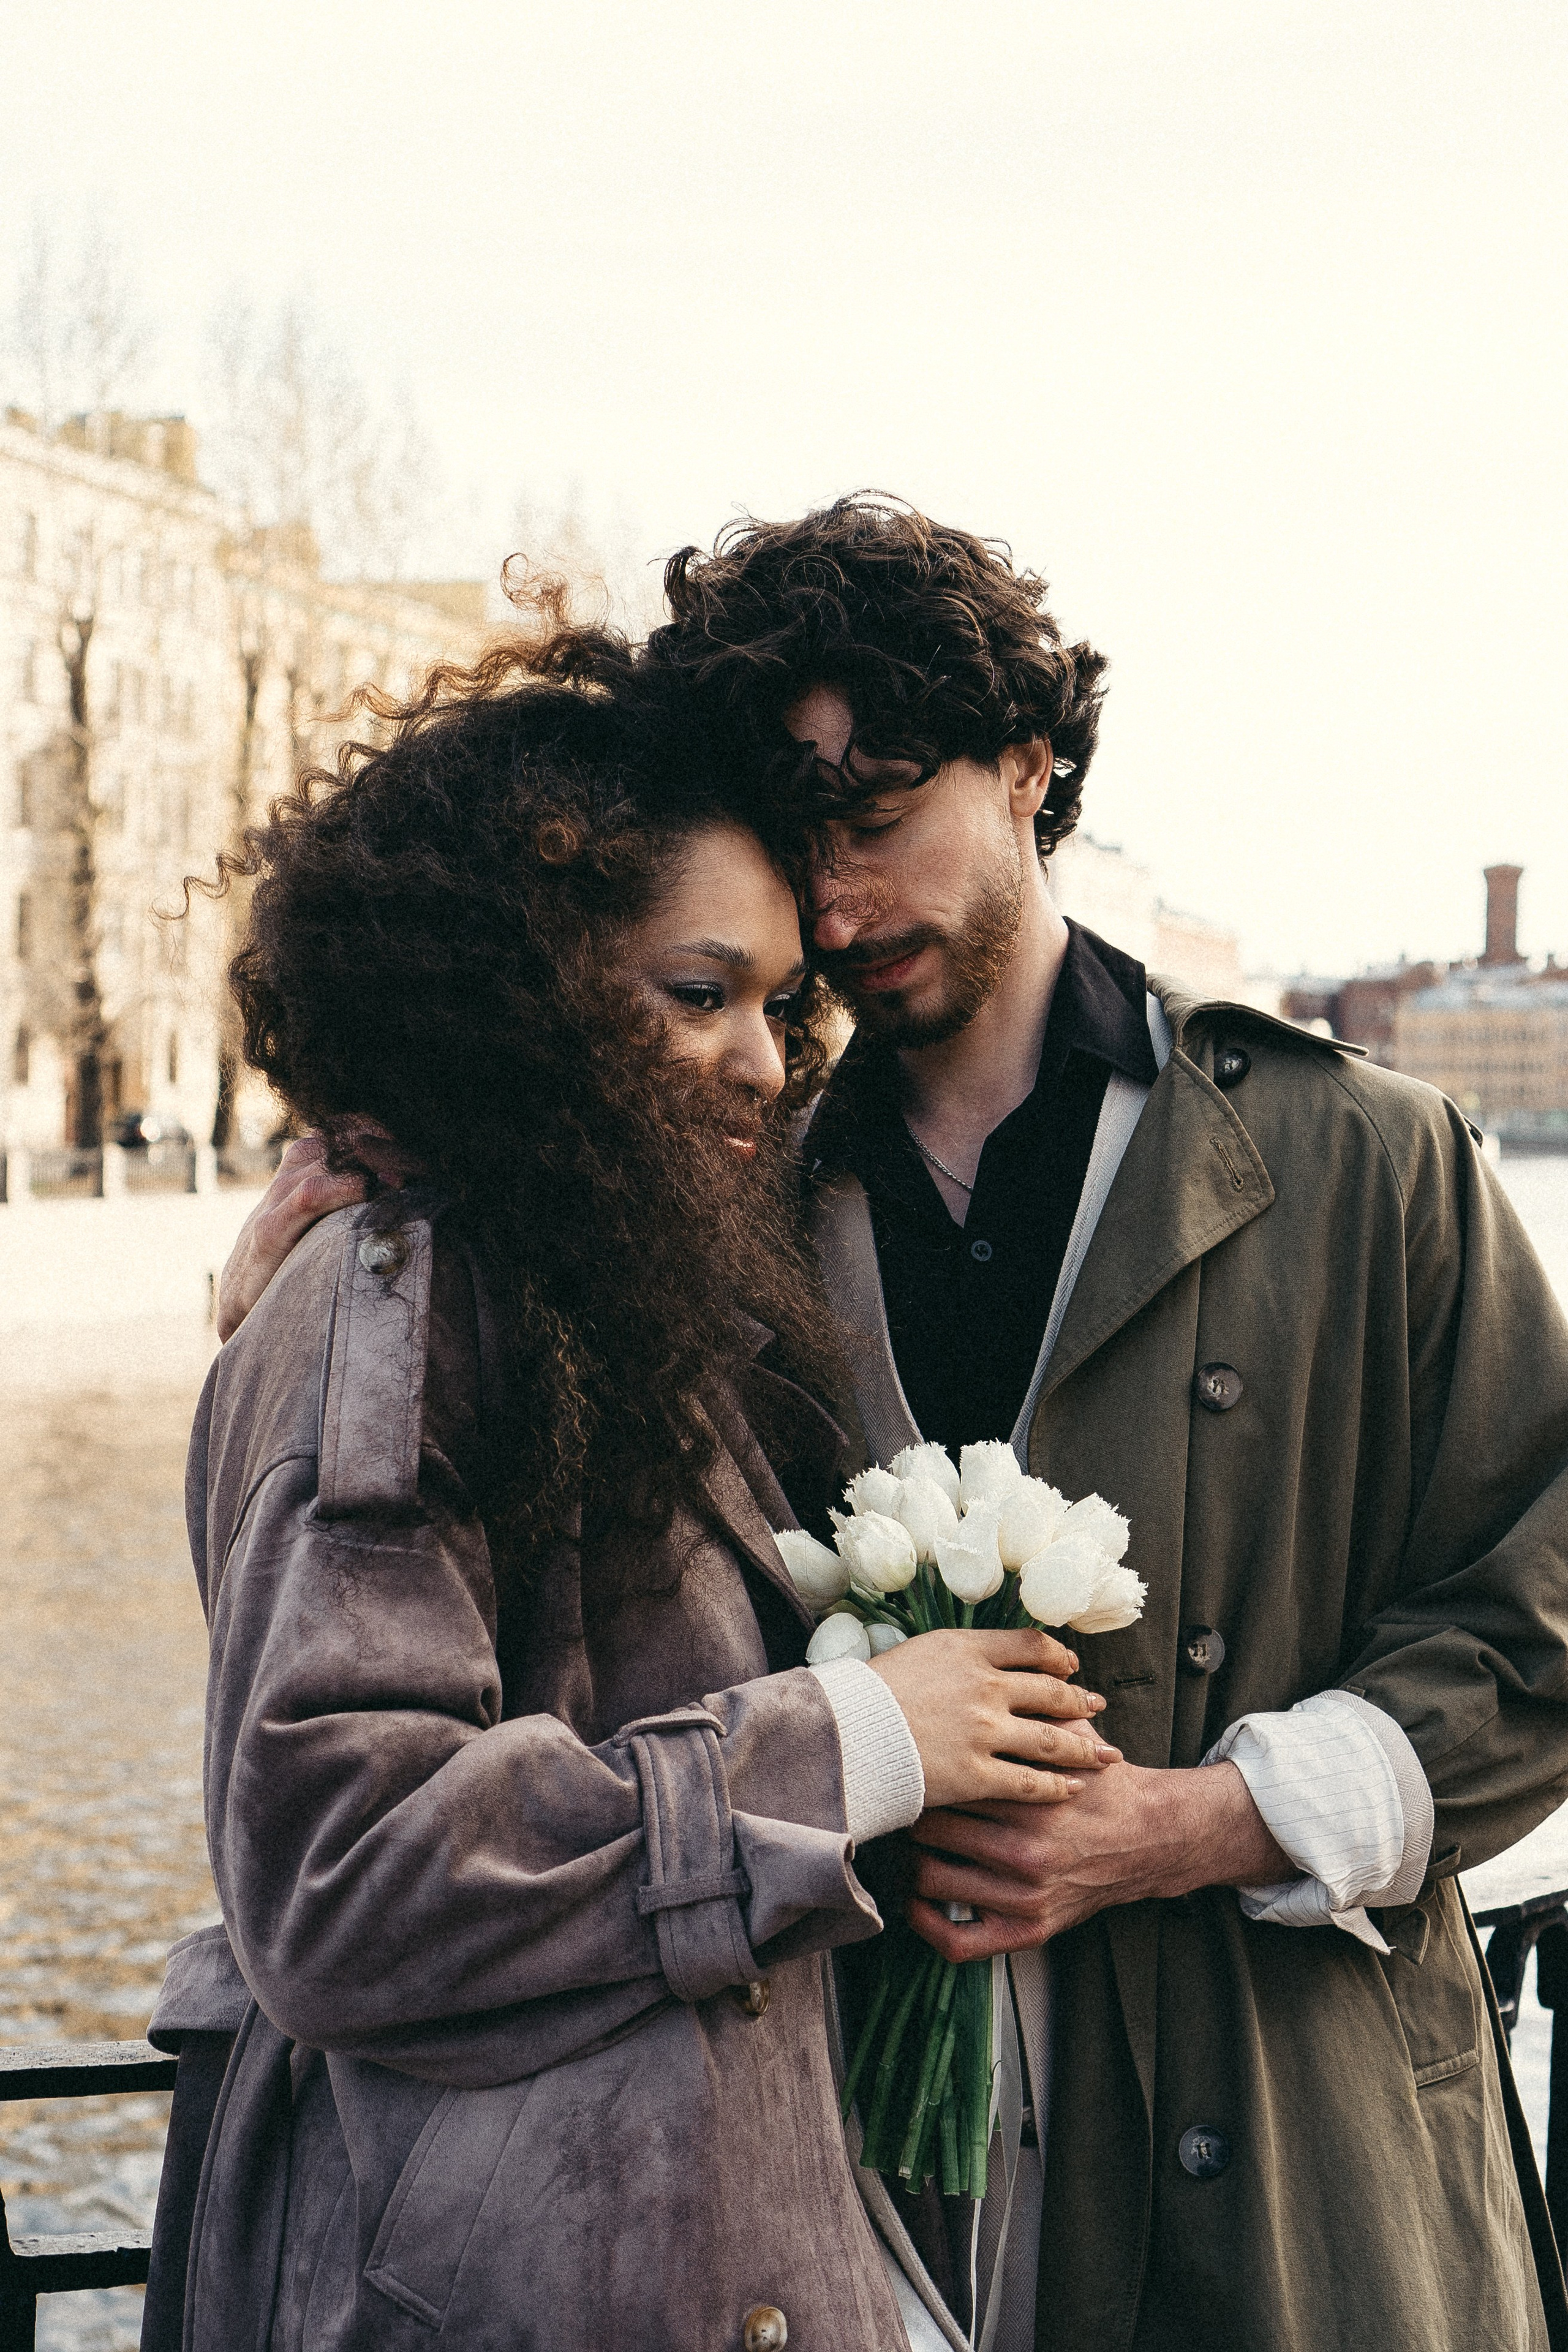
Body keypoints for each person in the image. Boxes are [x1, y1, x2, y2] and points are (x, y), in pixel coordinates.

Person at [222, 496, 1568, 2352]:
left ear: (1033, 767)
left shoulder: (1370, 1160)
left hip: (1282, 2171)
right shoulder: (693, 1191)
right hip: (845, 2202)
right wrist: (305, 1280)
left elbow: (1544, 1620)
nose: (840, 902)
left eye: (879, 814)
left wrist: (1192, 1822)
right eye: (800, 845)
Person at [142, 631, 1118, 2352]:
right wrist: (866, 1743)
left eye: (777, 1006)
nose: (764, 1062)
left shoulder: (580, 1293)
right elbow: (344, 1877)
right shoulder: (410, 1300)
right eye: (699, 995)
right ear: (521, 997)